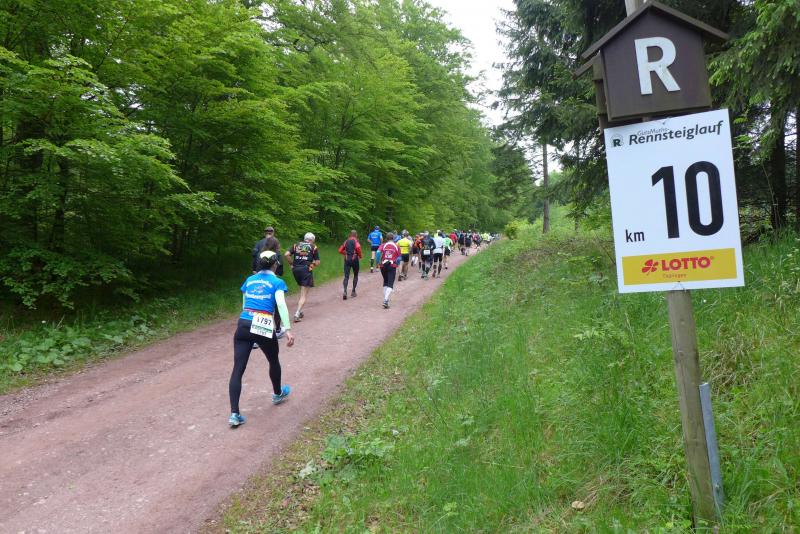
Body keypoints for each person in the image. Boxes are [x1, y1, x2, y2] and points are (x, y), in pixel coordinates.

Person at [229, 250, 295, 427]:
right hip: (262, 323)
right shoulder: (277, 282)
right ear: (275, 264)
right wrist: (287, 329)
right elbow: (280, 304)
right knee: (273, 360)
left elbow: (245, 304)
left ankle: (234, 414)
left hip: (244, 323)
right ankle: (277, 393)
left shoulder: (249, 280)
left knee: (238, 369)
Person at [285, 232, 320, 322]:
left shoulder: (296, 245)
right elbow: (317, 262)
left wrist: (292, 264)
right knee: (303, 294)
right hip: (306, 270)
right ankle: (297, 314)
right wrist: (312, 265)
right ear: (312, 240)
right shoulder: (313, 247)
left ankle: (299, 311)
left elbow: (286, 254)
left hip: (296, 270)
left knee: (301, 290)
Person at [378, 233, 401, 308]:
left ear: (386, 238)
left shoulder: (383, 245)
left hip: (383, 265)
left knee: (385, 282)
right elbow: (399, 258)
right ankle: (385, 300)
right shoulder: (396, 246)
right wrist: (397, 264)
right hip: (392, 265)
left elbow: (378, 252)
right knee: (390, 284)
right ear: (393, 238)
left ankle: (386, 300)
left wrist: (377, 262)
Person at [338, 230, 362, 300]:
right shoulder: (356, 241)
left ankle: (345, 291)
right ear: (356, 235)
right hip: (355, 260)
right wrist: (360, 256)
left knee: (346, 276)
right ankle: (353, 291)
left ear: (350, 235)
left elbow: (340, 250)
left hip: (347, 260)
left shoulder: (346, 241)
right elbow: (358, 248)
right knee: (355, 275)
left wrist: (345, 253)